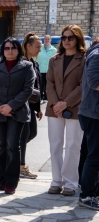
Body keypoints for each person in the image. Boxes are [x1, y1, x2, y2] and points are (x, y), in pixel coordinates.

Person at [0, 38, 35, 195]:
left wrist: (11, 106)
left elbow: (28, 90)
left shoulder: (27, 66)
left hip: (17, 113)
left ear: (18, 50)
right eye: (6, 48)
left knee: (13, 146)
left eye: (13, 48)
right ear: (3, 51)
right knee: (2, 147)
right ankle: (3, 179)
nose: (10, 51)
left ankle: (12, 182)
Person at [46, 25, 85, 197]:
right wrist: (56, 103)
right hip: (54, 108)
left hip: (75, 108)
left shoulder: (84, 59)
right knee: (55, 145)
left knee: (72, 146)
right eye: (64, 37)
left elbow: (84, 85)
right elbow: (49, 83)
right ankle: (56, 180)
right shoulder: (54, 59)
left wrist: (66, 103)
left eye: (70, 37)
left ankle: (70, 183)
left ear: (77, 39)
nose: (67, 41)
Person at [20, 33, 44, 180]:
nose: (39, 50)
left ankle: (15, 155)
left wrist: (38, 108)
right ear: (28, 46)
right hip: (22, 106)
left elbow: (36, 86)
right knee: (23, 137)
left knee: (31, 133)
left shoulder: (33, 63)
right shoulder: (22, 63)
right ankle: (20, 166)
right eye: (37, 47)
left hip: (31, 105)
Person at [79, 38, 99, 210]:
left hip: (92, 112)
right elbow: (94, 82)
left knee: (91, 153)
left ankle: (92, 191)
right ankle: (87, 195)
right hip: (94, 114)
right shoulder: (97, 55)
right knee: (95, 156)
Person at [39, 34, 58, 100]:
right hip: (40, 70)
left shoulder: (54, 50)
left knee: (48, 86)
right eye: (45, 39)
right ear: (43, 40)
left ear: (50, 40)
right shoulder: (39, 48)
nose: (46, 40)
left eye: (48, 39)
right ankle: (40, 98)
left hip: (49, 71)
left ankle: (47, 98)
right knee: (40, 85)